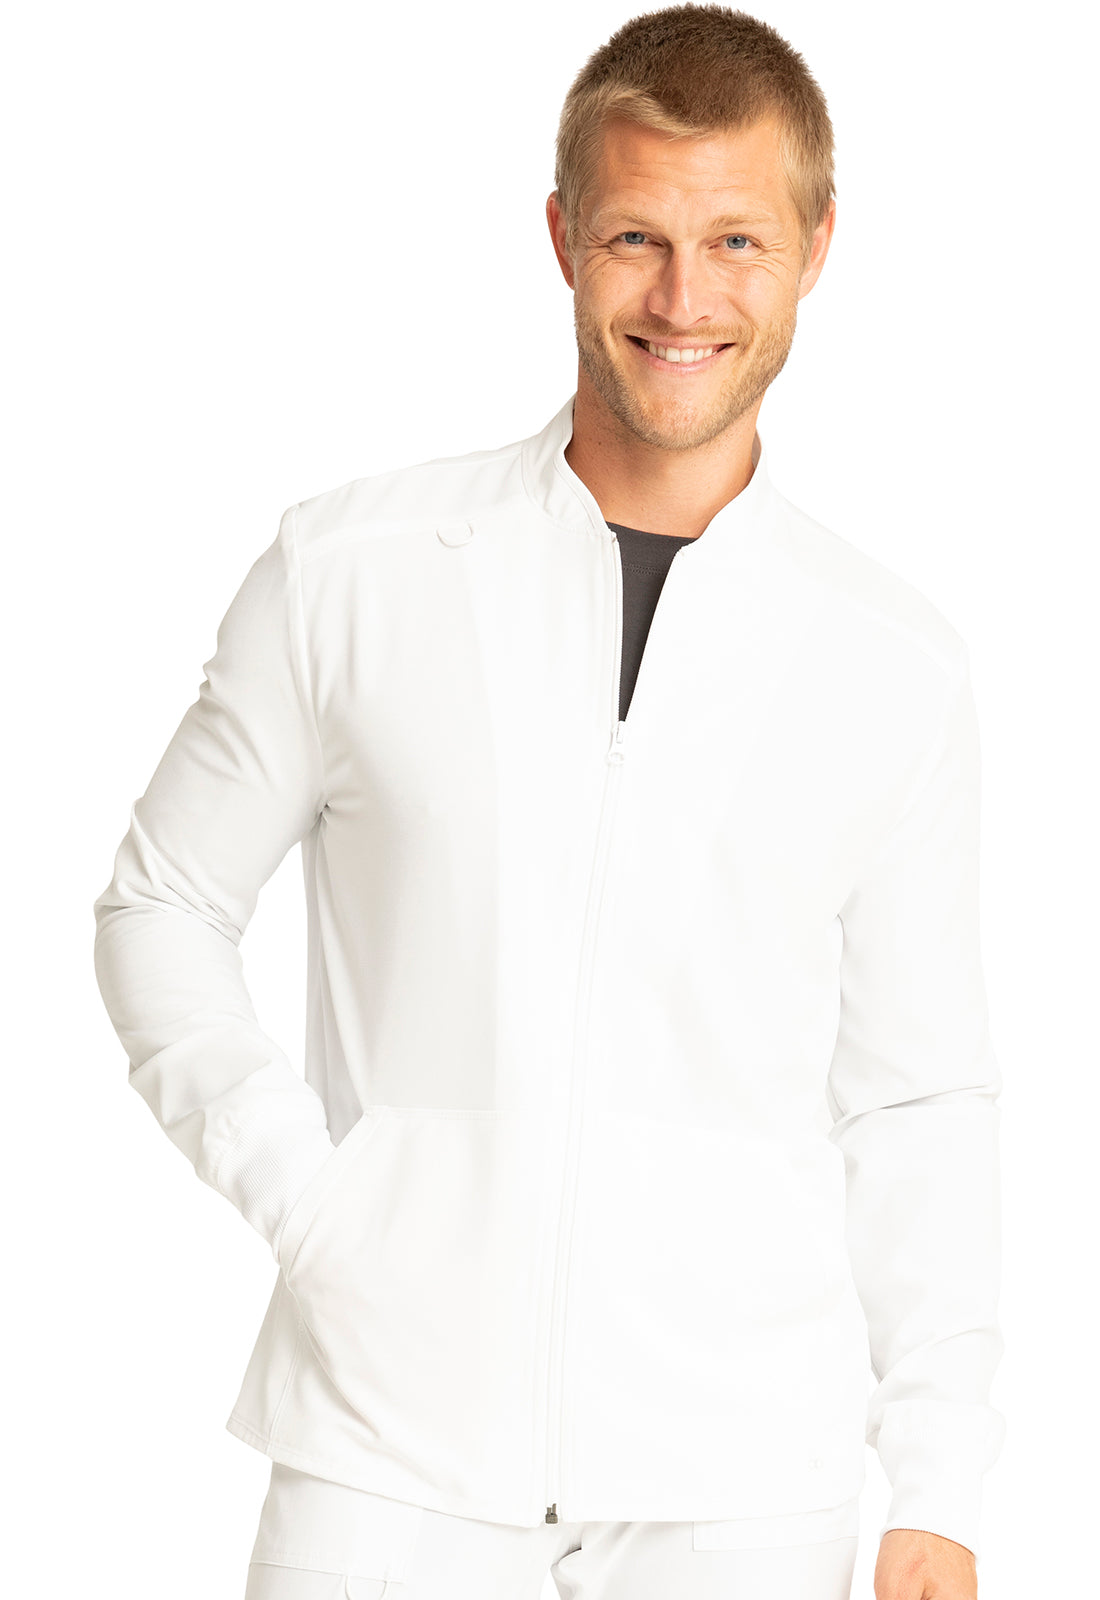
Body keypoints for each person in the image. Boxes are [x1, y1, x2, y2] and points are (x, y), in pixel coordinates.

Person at [92, 7, 1005, 1599]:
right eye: (638, 236)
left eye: (736, 240)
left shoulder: (891, 661)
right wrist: (318, 1205)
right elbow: (161, 904)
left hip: (745, 1468)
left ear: (816, 249)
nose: (684, 299)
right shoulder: (353, 571)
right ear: (564, 237)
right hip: (387, 1435)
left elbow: (917, 1095)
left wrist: (937, 1475)